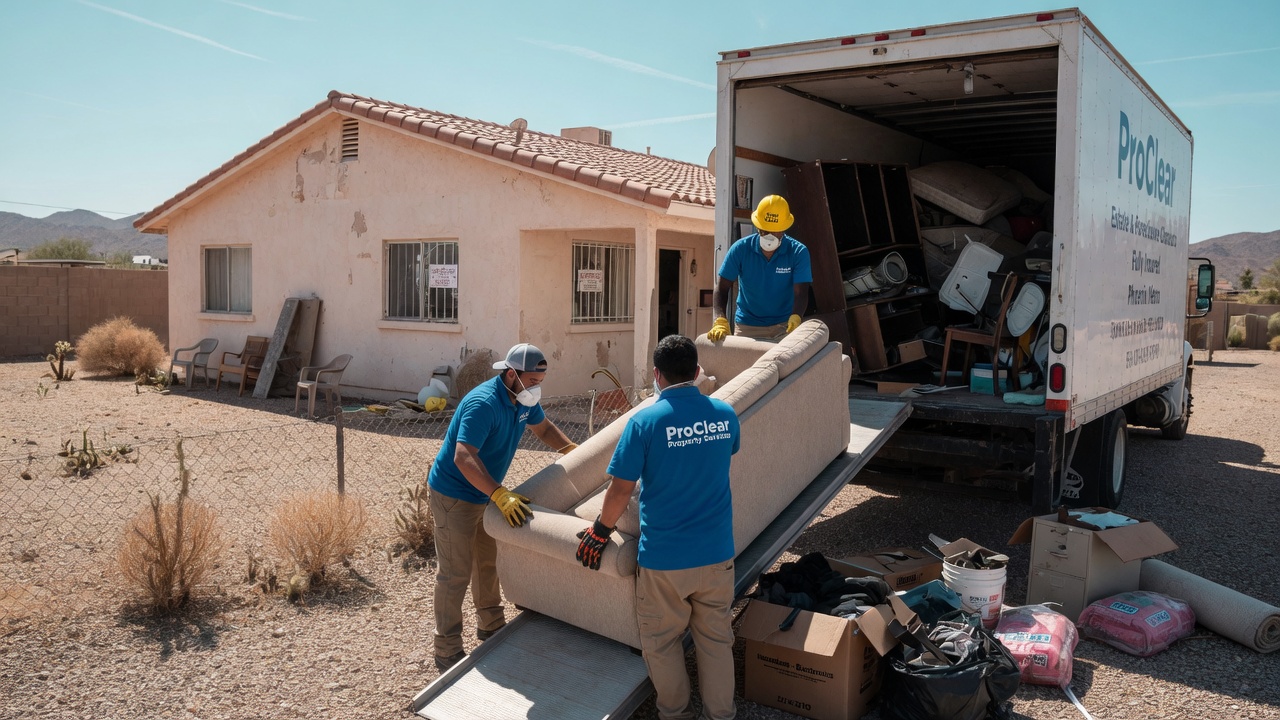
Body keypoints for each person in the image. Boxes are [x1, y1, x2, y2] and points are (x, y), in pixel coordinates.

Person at [576, 335, 740, 720]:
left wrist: (600, 532)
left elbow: (620, 491)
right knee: (716, 641)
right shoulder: (724, 414)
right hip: (717, 555)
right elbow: (726, 452)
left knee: (662, 643)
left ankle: (675, 714)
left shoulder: (644, 422)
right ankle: (721, 715)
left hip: (665, 560)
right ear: (697, 372)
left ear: (657, 376)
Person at [427, 343, 578, 671]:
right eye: (532, 381)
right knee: (455, 573)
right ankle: (447, 648)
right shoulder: (484, 404)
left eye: (541, 382)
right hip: (455, 495)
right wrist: (499, 494)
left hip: (487, 493)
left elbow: (544, 428)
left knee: (487, 562)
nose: (536, 388)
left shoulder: (522, 399)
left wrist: (574, 451)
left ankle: (490, 625)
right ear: (511, 374)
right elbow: (463, 456)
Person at [709, 194, 813, 342]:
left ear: (784, 229)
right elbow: (722, 287)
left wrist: (796, 317)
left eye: (775, 231)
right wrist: (719, 319)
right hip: (747, 326)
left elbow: (801, 292)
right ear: (757, 226)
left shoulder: (798, 252)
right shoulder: (740, 249)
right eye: (765, 230)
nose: (769, 236)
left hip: (783, 326)